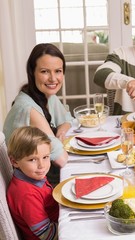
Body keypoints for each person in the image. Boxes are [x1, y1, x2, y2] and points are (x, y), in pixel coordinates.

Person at [3, 43, 73, 185]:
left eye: (58, 71)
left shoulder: (46, 95)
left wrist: (60, 131)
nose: (53, 79)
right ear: (32, 72)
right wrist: (57, 141)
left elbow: (67, 119)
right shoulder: (28, 109)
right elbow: (62, 159)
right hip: (28, 185)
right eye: (45, 71)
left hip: (39, 175)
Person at [7, 126, 59, 240]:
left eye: (45, 157)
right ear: (14, 161)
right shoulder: (26, 194)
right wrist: (70, 227)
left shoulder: (32, 176)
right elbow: (47, 234)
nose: (42, 165)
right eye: (32, 159)